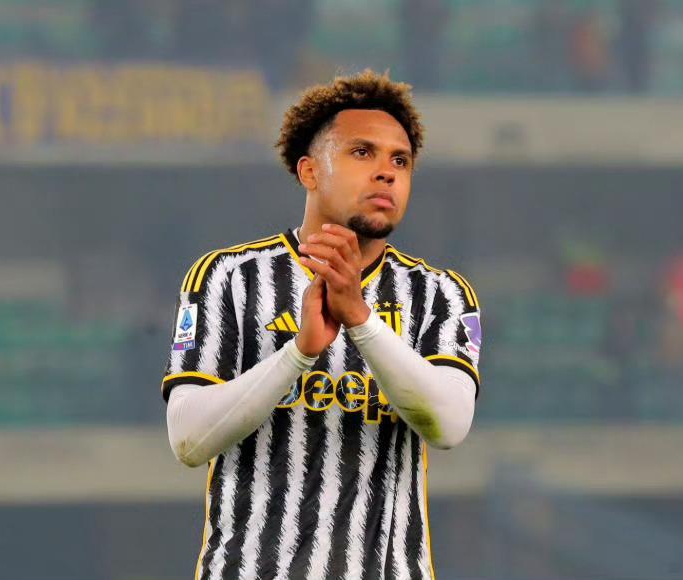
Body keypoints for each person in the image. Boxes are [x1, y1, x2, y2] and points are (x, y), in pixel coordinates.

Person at [161, 70, 482, 580]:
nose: (386, 173)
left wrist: (360, 318)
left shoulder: (440, 293)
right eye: (363, 153)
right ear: (310, 172)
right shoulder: (229, 276)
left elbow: (448, 425)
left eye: (400, 160)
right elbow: (188, 439)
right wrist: (297, 354)